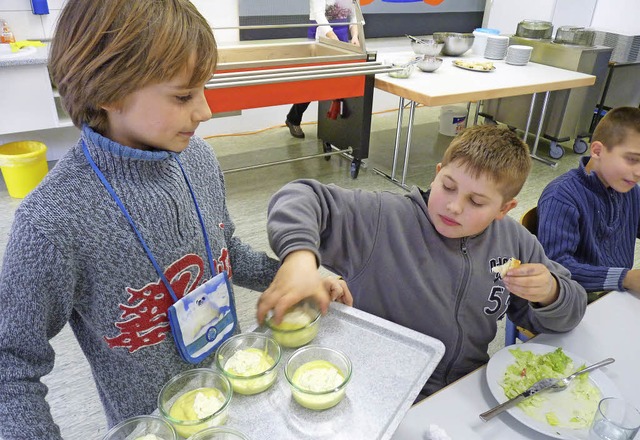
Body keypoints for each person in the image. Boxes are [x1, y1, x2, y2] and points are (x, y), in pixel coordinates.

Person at [0, 1, 350, 437]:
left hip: (234, 398)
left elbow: (226, 253)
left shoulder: (197, 158)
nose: (205, 111)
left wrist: (289, 279)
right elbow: (10, 366)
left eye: (203, 89)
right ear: (107, 92)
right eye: (184, 95)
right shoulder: (51, 223)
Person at [258, 125, 587, 396]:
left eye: (476, 201)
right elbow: (301, 196)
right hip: (381, 388)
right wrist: (299, 260)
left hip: (466, 389)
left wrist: (550, 292)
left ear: (504, 209)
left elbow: (569, 314)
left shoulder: (514, 242)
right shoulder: (384, 220)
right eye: (448, 186)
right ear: (438, 174)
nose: (454, 206)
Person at [537, 107, 640, 301]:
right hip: (573, 299)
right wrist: (625, 278)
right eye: (632, 159)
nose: (639, 172)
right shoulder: (562, 196)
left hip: (615, 294)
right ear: (597, 150)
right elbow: (556, 267)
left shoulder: (630, 189)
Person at [285, 0, 361, 139]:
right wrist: (333, 38)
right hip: (321, 35)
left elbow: (354, 15)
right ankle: (293, 118)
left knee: (342, 80)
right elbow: (319, 15)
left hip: (342, 35)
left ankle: (334, 121)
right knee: (314, 83)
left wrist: (355, 36)